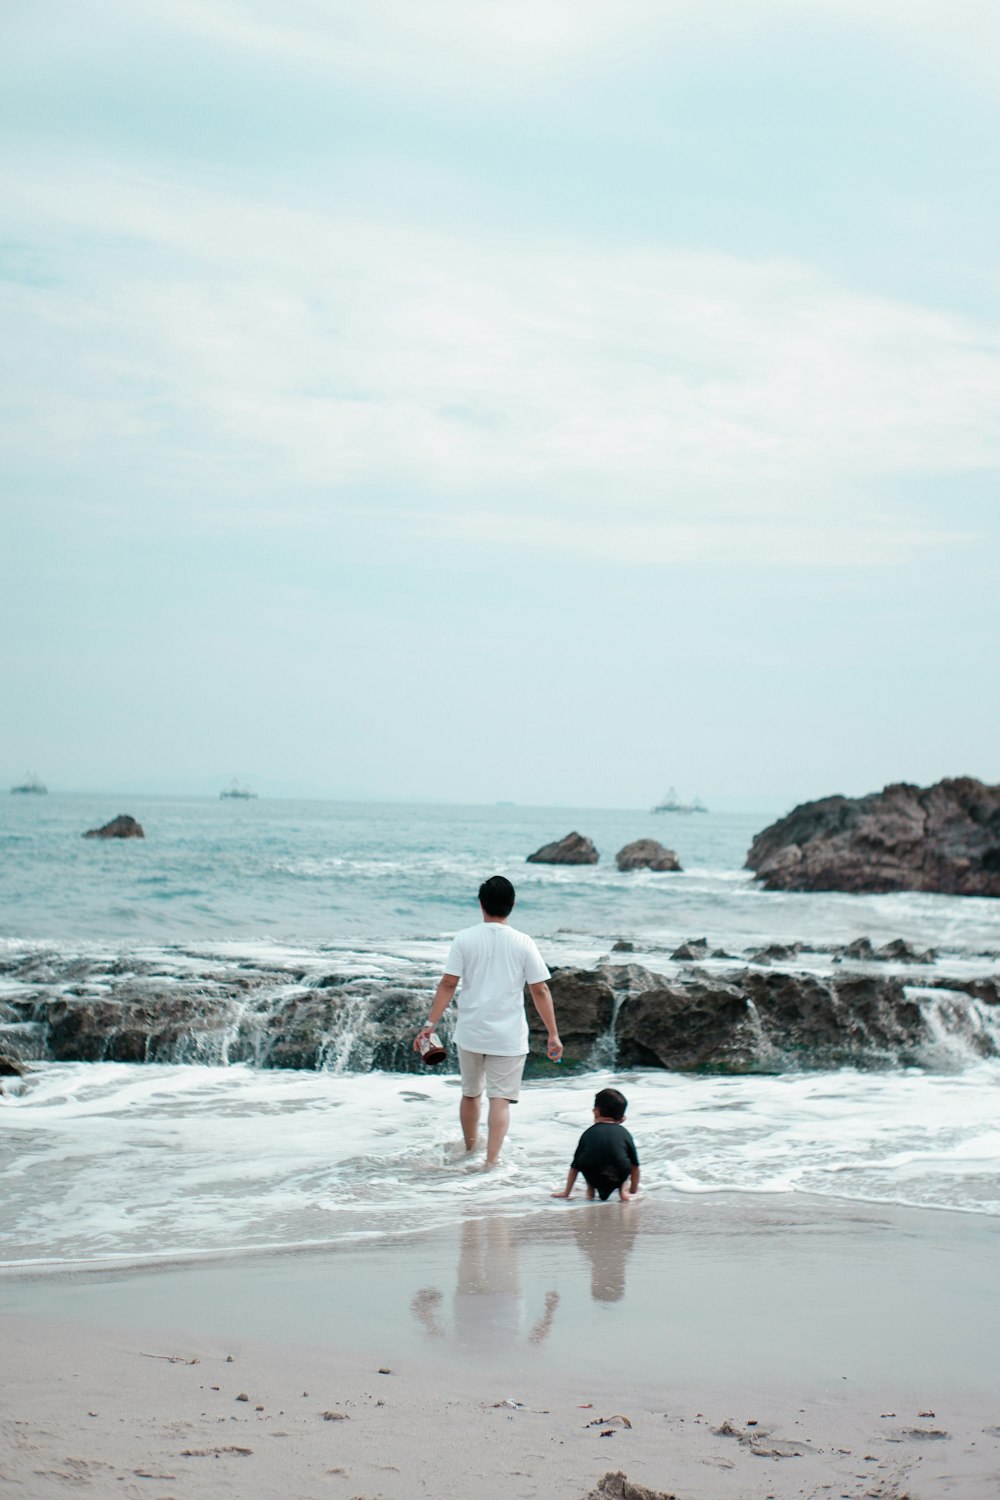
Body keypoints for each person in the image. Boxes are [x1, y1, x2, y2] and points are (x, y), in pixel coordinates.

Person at [414, 875, 563, 1167]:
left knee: (470, 1094)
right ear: (513, 905)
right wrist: (553, 1033)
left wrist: (430, 1024)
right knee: (500, 1100)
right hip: (508, 1036)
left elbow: (447, 984)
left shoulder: (465, 939)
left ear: (481, 904)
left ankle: (469, 1152)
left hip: (471, 1032)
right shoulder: (523, 942)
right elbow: (540, 989)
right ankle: (491, 1163)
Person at [551, 1087, 640, 1202]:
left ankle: (590, 1191)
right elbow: (635, 1166)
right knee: (623, 1160)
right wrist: (633, 1190)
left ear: (596, 1112)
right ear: (622, 1118)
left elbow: (574, 1167)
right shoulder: (624, 1133)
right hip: (617, 1175)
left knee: (588, 1159)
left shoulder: (588, 1133)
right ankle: (623, 1192)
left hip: (593, 1175)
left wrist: (566, 1193)